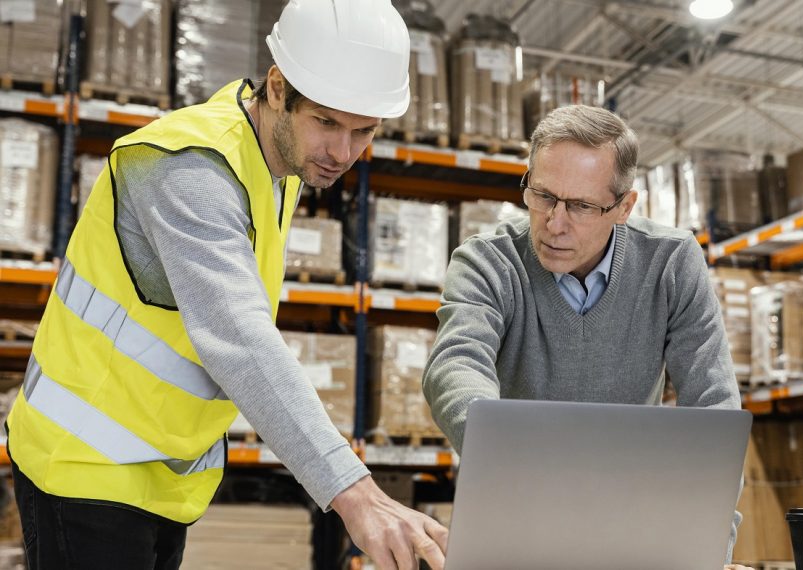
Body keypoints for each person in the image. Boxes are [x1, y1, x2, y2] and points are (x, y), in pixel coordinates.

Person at [6, 1, 447, 569]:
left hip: (158, 474)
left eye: (364, 131)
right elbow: (237, 334)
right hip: (86, 466)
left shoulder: (273, 164)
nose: (343, 153)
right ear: (277, 87)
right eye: (328, 123)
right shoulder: (188, 168)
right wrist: (355, 492)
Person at [422, 104, 752, 570]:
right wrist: (504, 449)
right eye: (543, 196)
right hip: (514, 527)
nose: (555, 223)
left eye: (580, 206)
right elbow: (456, 365)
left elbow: (714, 406)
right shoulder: (486, 262)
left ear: (624, 207)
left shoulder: (671, 262)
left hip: (635, 535)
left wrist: (711, 545)